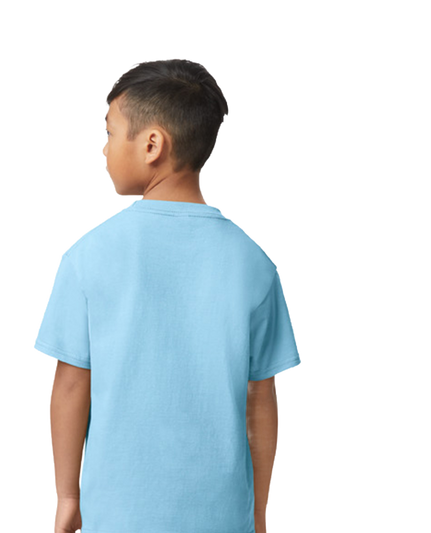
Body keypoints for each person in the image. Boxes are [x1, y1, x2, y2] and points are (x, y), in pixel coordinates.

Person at [31, 56, 304, 533]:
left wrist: (68, 497)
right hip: (221, 517)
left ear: (152, 144)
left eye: (110, 133)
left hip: (116, 514)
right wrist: (258, 511)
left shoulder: (86, 254)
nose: (102, 148)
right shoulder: (253, 261)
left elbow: (71, 385)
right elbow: (261, 398)